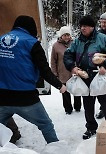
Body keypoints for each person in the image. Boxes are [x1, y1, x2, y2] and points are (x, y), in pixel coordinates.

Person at [0, 15, 66, 144]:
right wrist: (60, 85)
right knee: (45, 124)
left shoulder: (1, 39)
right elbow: (44, 70)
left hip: (2, 97)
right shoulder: (32, 43)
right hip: (25, 97)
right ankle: (56, 150)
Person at [63, 15, 106, 140]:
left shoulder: (102, 39)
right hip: (84, 77)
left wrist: (105, 66)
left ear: (92, 27)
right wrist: (72, 67)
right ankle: (91, 128)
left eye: (85, 26)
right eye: (81, 26)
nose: (82, 29)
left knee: (105, 103)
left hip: (99, 77)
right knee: (88, 105)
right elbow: (68, 55)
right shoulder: (78, 41)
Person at [51, 26, 81, 115]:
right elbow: (53, 61)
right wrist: (55, 73)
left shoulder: (75, 43)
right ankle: (68, 109)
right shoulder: (55, 46)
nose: (67, 37)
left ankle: (78, 106)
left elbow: (79, 56)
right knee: (65, 91)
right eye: (65, 35)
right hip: (62, 72)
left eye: (68, 35)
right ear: (61, 36)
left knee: (77, 90)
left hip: (74, 71)